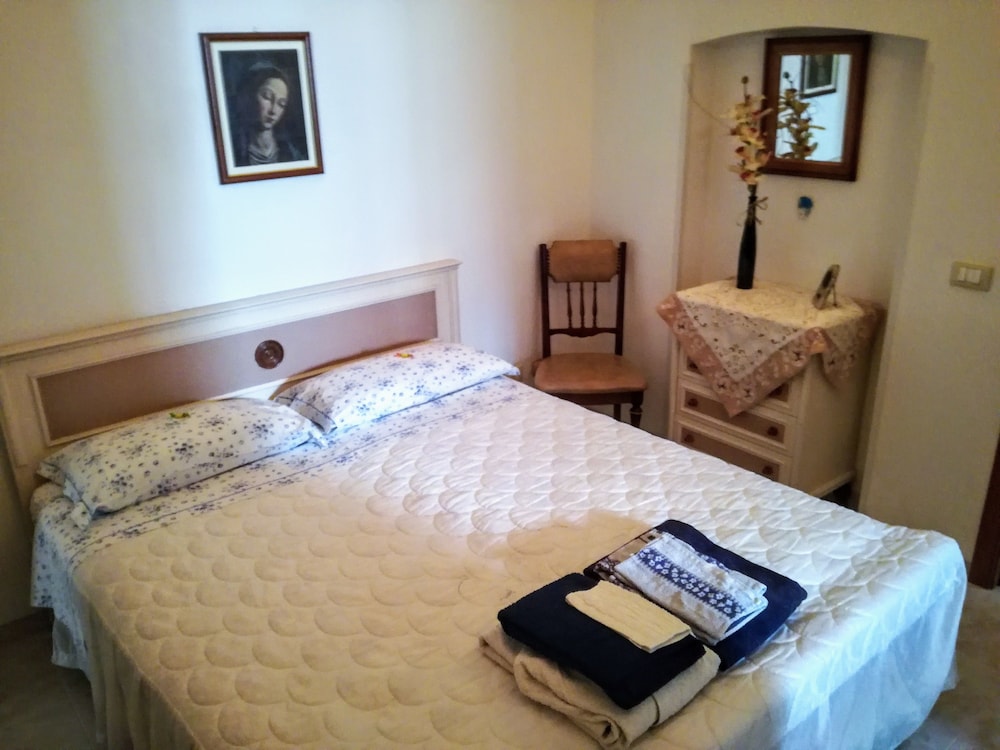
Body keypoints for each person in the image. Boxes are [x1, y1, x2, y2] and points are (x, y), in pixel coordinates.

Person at [230, 61, 304, 166]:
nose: (273, 111)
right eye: (267, 97)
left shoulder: (290, 152)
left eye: (281, 104)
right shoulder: (233, 149)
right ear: (249, 96)